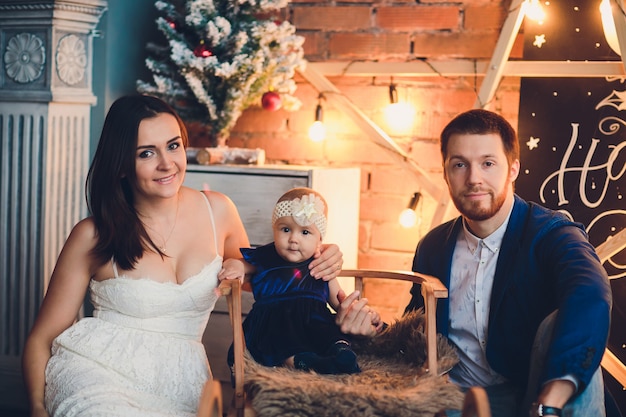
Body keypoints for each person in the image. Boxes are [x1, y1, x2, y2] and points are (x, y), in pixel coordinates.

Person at [21, 95, 344, 417]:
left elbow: (263, 279)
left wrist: (320, 254)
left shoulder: (217, 210)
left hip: (183, 382)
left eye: (173, 146)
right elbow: (42, 338)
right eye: (146, 153)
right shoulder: (93, 234)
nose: (167, 164)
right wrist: (37, 407)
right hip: (96, 373)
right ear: (120, 165)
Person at [336, 109, 613, 417]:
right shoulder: (433, 246)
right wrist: (374, 331)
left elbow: (591, 294)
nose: (473, 179)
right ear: (445, 173)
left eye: (488, 163)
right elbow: (418, 333)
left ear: (513, 169)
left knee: (557, 323)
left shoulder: (552, 234)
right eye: (459, 165)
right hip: (459, 401)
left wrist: (550, 399)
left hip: (536, 392)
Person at [230, 187, 367, 374]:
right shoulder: (267, 256)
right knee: (280, 343)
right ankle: (303, 362)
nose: (293, 239)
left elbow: (338, 299)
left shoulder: (320, 263)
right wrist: (236, 266)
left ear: (319, 240)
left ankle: (339, 351)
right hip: (274, 320)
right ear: (274, 230)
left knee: (328, 334)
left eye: (305, 232)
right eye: (286, 229)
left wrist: (350, 308)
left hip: (313, 320)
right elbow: (244, 264)